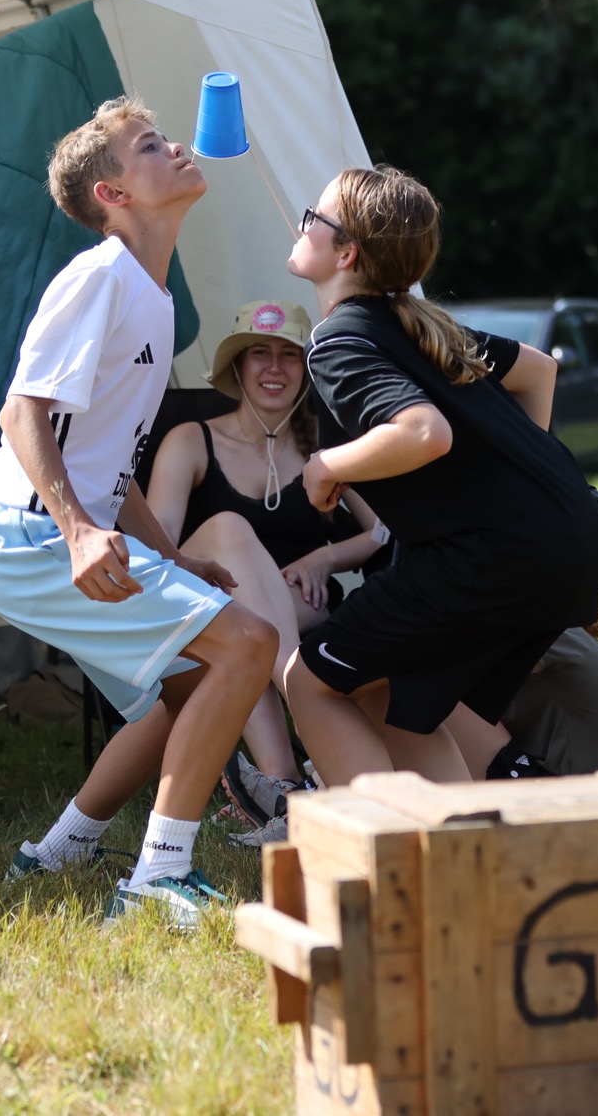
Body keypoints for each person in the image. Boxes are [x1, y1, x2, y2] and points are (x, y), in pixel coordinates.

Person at [0, 96, 277, 931]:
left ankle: (57, 852)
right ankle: (158, 878)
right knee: (249, 643)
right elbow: (22, 413)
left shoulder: (153, 297)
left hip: (47, 534)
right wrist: (76, 533)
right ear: (113, 195)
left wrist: (170, 557)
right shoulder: (98, 277)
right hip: (29, 536)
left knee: (193, 685)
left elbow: (112, 466)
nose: (174, 147)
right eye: (149, 145)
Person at [281, 165, 598, 785]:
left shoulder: (337, 340)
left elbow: (423, 433)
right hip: (573, 539)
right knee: (400, 704)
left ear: (347, 253)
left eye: (314, 218)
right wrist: (514, 486)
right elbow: (539, 371)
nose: (302, 227)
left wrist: (326, 465)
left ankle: (381, 839)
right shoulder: (419, 324)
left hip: (494, 556)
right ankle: (461, 839)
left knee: (308, 680)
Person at [144, 299, 383, 833]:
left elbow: (382, 530)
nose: (274, 367)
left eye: (289, 354)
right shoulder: (192, 440)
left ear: (308, 367)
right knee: (229, 535)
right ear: (238, 366)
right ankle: (313, 727)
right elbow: (157, 546)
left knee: (248, 629)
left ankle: (283, 790)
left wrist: (324, 556)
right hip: (203, 604)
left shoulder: (326, 446)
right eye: (259, 353)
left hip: (301, 606)